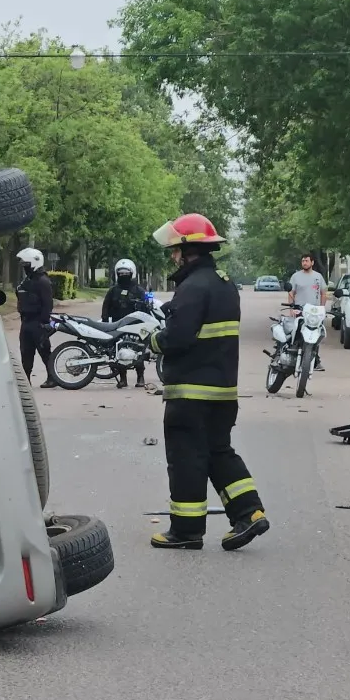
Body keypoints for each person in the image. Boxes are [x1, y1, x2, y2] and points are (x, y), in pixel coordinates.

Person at [143, 213, 269, 551]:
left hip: (190, 393)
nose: (172, 257)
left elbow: (179, 337)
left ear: (188, 251)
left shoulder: (192, 286)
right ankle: (249, 512)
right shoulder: (223, 283)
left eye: (174, 251)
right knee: (218, 451)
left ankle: (186, 531)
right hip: (223, 391)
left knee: (186, 459)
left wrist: (153, 339)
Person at [102, 258, 149, 388]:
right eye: (120, 273)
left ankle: (140, 377)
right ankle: (123, 379)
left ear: (132, 273)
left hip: (136, 326)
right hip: (118, 326)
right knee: (119, 353)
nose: (123, 275)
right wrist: (105, 322)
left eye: (125, 273)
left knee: (138, 352)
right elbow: (105, 306)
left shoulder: (139, 291)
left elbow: (147, 307)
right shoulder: (113, 291)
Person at [15, 248, 58, 389]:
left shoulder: (43, 281)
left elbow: (47, 304)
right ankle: (26, 381)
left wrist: (44, 322)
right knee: (25, 352)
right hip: (26, 321)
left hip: (38, 322)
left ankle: (52, 378)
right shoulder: (27, 281)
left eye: (26, 264)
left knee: (44, 351)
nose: (24, 267)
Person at [287, 254, 327, 371]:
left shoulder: (318, 277)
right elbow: (291, 293)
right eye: (303, 261)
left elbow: (323, 293)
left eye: (307, 261)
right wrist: (291, 308)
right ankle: (295, 357)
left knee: (315, 335)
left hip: (314, 312)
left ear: (312, 263)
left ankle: (314, 361)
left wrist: (322, 308)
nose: (304, 263)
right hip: (300, 310)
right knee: (298, 334)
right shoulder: (296, 277)